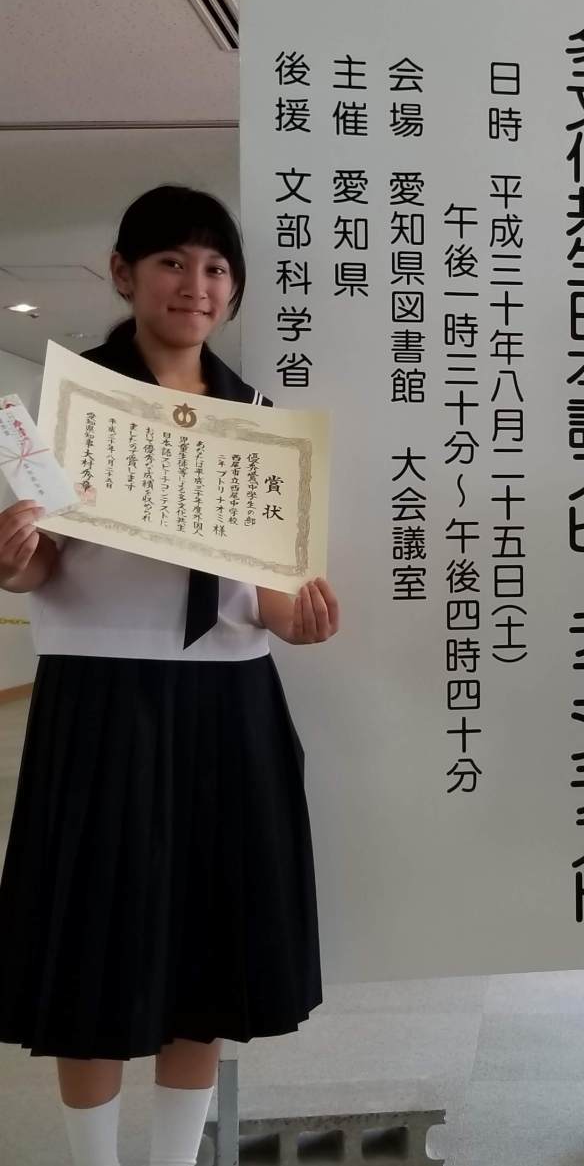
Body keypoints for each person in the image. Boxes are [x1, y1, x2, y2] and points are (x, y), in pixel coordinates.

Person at [0, 186, 339, 1166]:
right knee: (95, 954)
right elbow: (40, 565)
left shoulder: (257, 416)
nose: (196, 284)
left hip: (229, 699)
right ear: (123, 273)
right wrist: (12, 555)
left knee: (206, 950)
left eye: (216, 267)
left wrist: (303, 618)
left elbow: (268, 595)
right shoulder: (70, 409)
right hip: (102, 697)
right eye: (172, 262)